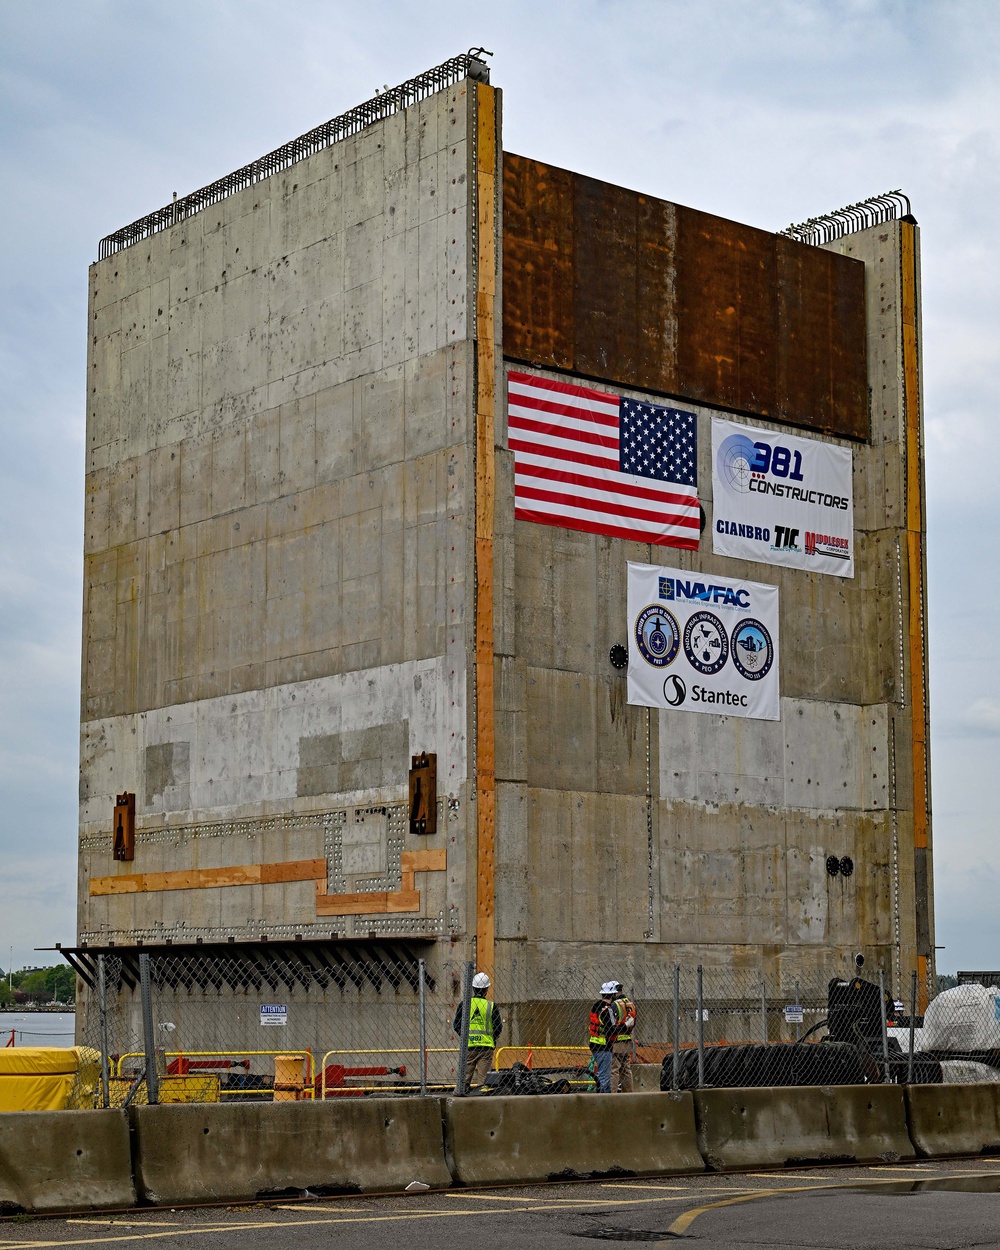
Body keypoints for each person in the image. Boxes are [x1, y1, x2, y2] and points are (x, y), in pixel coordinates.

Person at [453, 971, 502, 1093]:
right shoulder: (491, 1006)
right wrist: (492, 1038)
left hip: (469, 1046)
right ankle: (480, 1097)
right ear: (486, 989)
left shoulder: (465, 1004)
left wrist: (466, 1037)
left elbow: (456, 1025)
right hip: (486, 1047)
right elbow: (498, 1027)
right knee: (483, 1082)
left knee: (464, 1079)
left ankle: (462, 1095)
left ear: (473, 988)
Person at [589, 982, 620, 1093]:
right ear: (612, 995)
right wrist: (625, 1025)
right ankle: (604, 1102)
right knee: (605, 1078)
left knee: (602, 1075)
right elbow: (612, 1030)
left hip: (594, 1044)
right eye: (615, 994)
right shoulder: (608, 1010)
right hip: (604, 1047)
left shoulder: (596, 1006)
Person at [610, 980, 637, 1093]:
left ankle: (612, 1094)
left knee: (614, 1069)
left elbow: (611, 1024)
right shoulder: (631, 1004)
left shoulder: (614, 1005)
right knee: (626, 1069)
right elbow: (633, 1022)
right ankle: (629, 1094)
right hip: (627, 1040)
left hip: (616, 1041)